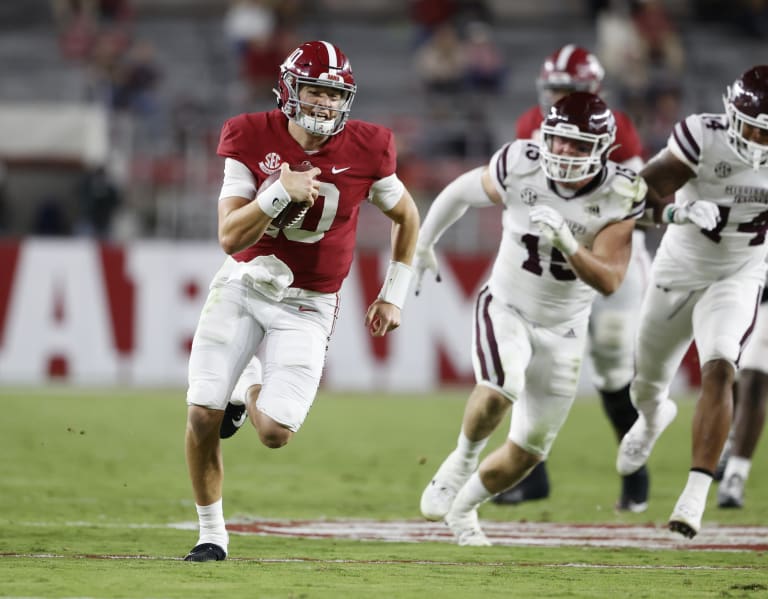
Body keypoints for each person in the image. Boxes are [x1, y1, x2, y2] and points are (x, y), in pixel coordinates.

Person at [183, 40, 420, 561]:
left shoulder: (369, 147)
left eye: (334, 95)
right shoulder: (249, 134)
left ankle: (248, 392)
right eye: (314, 90)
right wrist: (276, 192)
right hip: (244, 284)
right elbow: (229, 237)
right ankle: (211, 534)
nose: (324, 104)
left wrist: (394, 294)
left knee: (275, 434)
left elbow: (407, 216)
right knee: (202, 413)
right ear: (289, 90)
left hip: (311, 301)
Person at [415, 91, 650, 546]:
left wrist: (568, 242)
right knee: (503, 386)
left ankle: (463, 513)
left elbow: (609, 281)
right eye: (559, 141)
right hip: (507, 305)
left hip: (565, 329)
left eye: (578, 145)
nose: (564, 153)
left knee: (529, 452)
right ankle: (460, 462)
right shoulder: (520, 163)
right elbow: (461, 191)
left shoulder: (620, 192)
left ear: (602, 149)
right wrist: (424, 243)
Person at [494, 44, 652, 513]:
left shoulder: (617, 128)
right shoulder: (530, 125)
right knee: (521, 361)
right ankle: (531, 475)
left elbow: (634, 204)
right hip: (551, 268)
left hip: (609, 263)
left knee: (612, 371)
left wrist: (581, 236)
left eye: (568, 90)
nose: (558, 98)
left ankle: (634, 469)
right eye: (553, 89)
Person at [616, 65, 768, 539]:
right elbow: (633, 196)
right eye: (749, 128)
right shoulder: (703, 136)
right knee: (646, 384)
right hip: (679, 270)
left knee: (722, 366)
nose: (756, 142)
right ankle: (652, 416)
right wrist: (677, 211)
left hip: (739, 273)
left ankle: (695, 496)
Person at [716, 285, 768, 508]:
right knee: (725, 368)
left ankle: (735, 475)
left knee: (756, 375)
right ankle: (732, 435)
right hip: (735, 280)